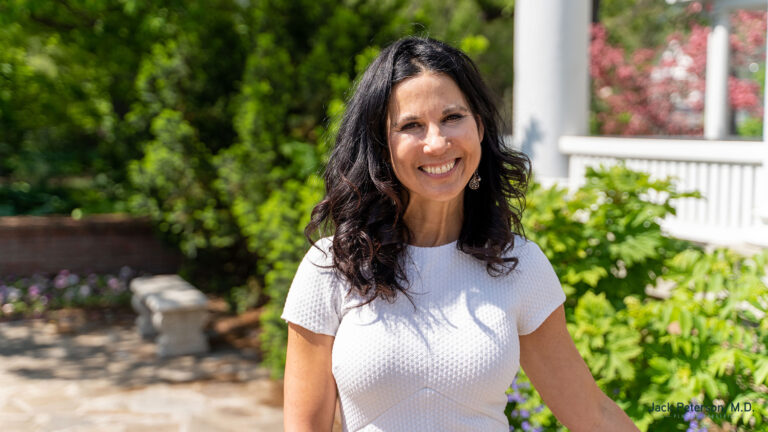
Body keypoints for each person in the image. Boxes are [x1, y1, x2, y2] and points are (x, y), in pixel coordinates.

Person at [281, 36, 638, 432]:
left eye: (452, 118)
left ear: (479, 127)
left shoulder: (518, 264)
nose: (437, 142)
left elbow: (592, 414)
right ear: (383, 146)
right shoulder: (333, 267)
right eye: (411, 126)